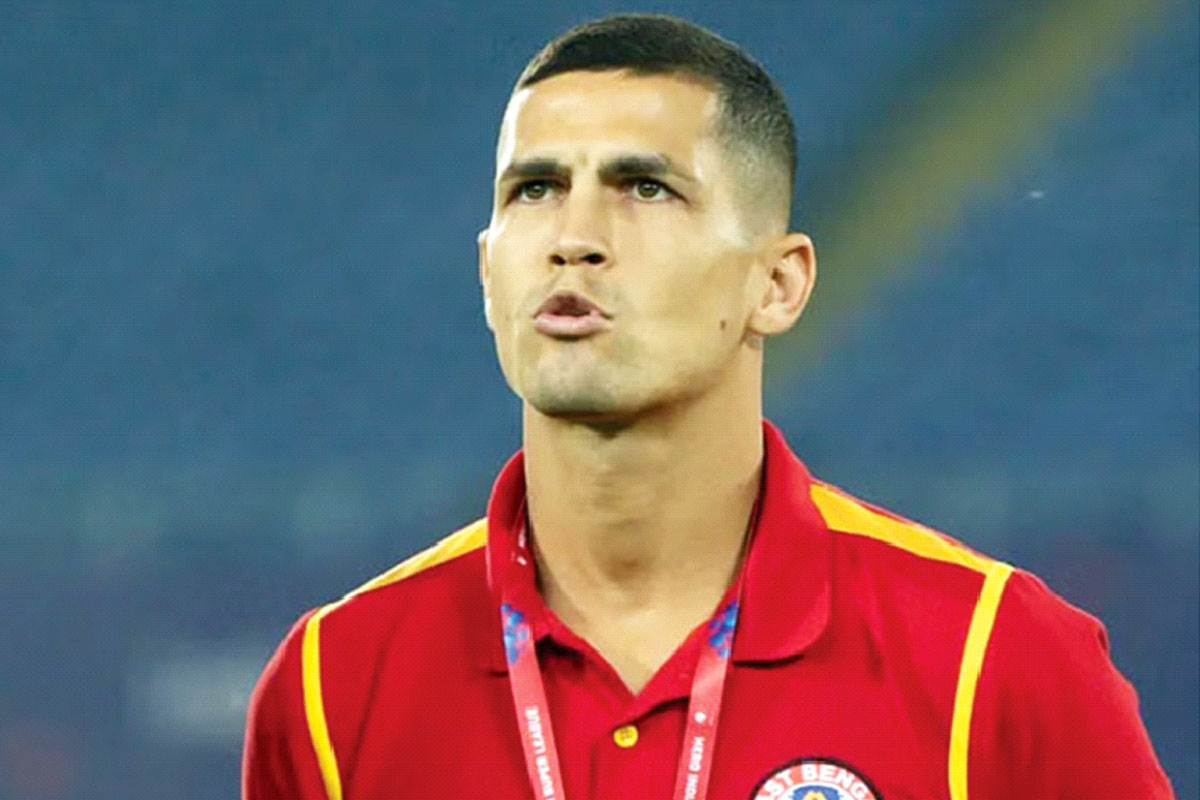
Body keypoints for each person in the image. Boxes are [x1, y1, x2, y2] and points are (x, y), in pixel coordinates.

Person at [241, 13, 1173, 800]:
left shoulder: (995, 658)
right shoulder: (331, 685)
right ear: (489, 273)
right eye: (536, 189)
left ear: (778, 283)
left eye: (645, 188)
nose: (574, 238)